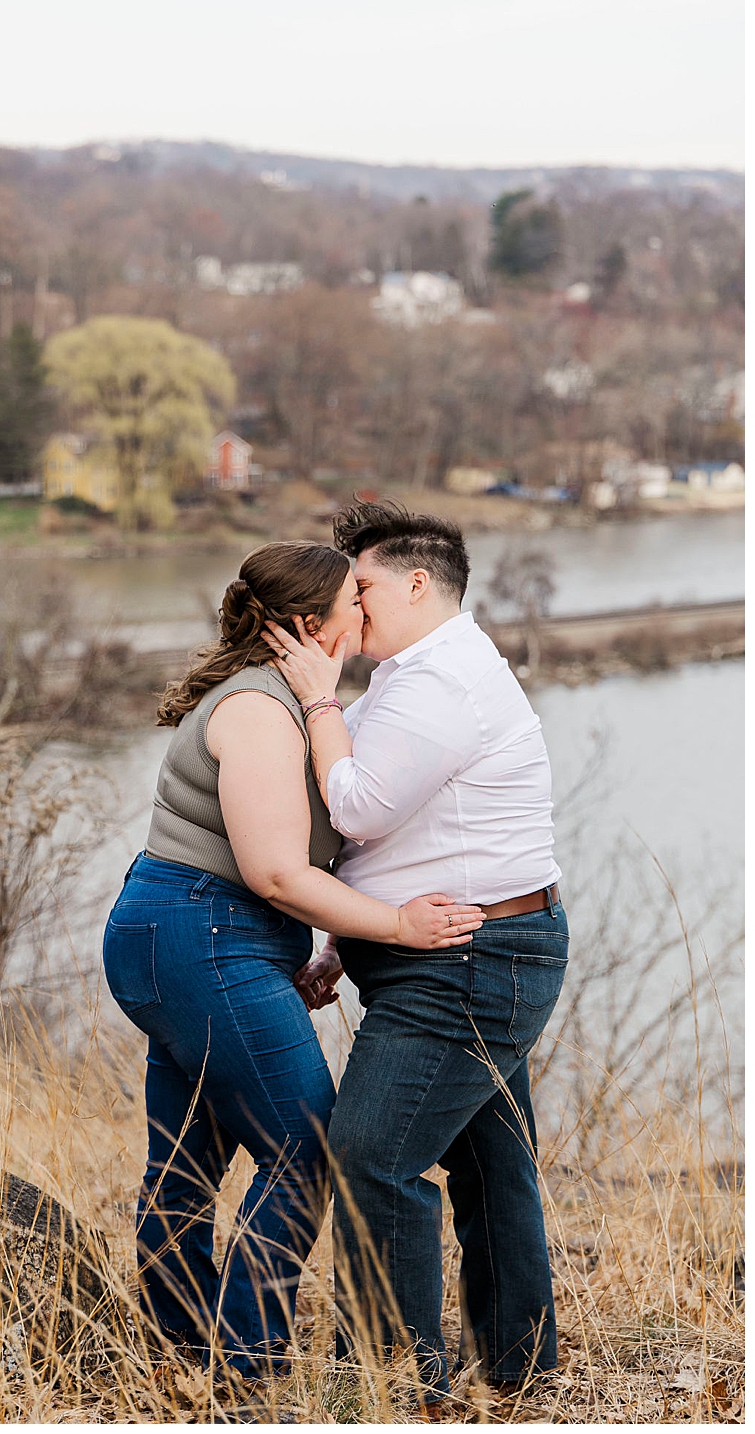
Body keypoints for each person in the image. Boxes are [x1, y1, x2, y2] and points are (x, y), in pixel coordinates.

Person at [101, 541, 486, 1394]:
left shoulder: (290, 703)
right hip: (200, 935)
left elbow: (289, 864)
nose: (367, 605)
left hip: (194, 936)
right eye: (355, 596)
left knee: (188, 1154)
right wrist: (396, 925)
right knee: (307, 1148)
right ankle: (246, 1369)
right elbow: (276, 871)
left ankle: (182, 1346)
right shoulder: (260, 711)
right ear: (313, 624)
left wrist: (315, 949)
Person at [265, 499, 566, 1412]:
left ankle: (402, 1386)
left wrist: (317, 696)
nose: (348, 609)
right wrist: (341, 937)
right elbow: (397, 840)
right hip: (461, 949)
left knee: (368, 1157)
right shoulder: (410, 672)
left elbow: (355, 805)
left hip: (470, 959)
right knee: (488, 1163)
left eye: (359, 587)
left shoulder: (443, 679)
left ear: (416, 582)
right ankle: (517, 1363)